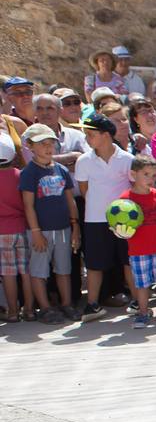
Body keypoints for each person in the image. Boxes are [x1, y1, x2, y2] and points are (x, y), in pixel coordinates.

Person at [73, 114, 133, 320]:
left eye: (91, 134)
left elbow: (135, 187)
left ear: (106, 135)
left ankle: (137, 300)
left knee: (128, 261)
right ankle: (92, 304)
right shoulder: (83, 161)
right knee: (94, 264)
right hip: (95, 220)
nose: (87, 138)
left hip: (124, 221)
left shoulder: (128, 159)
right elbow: (84, 190)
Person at [18, 125, 80, 323]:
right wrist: (35, 231)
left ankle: (66, 303)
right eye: (42, 144)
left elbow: (70, 200)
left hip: (63, 227)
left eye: (50, 143)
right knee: (39, 270)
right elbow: (28, 205)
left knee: (64, 268)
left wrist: (75, 226)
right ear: (31, 147)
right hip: (41, 230)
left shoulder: (61, 169)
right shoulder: (29, 172)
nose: (47, 148)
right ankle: (45, 307)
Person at [121, 154, 156, 329]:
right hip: (138, 250)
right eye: (146, 174)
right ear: (133, 174)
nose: (150, 179)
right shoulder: (125, 198)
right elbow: (120, 222)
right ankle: (143, 312)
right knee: (142, 284)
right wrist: (120, 232)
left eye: (154, 176)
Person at [0, 133, 33, 321]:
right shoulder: (20, 175)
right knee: (26, 270)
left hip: (2, 231)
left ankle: (13, 311)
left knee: (8, 273)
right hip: (22, 227)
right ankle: (29, 309)